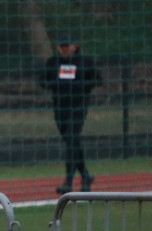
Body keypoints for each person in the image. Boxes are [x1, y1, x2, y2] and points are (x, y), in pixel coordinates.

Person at [41, 35, 102, 194]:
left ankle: (68, 182)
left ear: (74, 46)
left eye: (67, 46)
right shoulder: (52, 62)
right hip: (60, 109)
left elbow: (97, 80)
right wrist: (57, 85)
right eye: (61, 46)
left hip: (79, 107)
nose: (64, 49)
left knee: (72, 137)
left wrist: (79, 86)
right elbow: (43, 81)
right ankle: (85, 176)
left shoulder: (85, 62)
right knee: (71, 142)